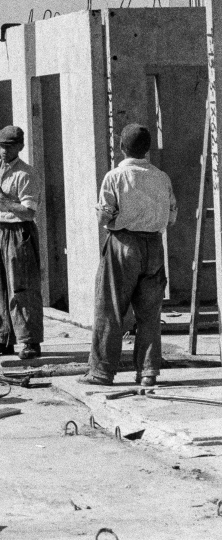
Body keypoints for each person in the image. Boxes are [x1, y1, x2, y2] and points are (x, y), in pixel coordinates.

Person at [81, 123, 177, 387]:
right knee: (149, 312)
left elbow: (105, 215)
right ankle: (148, 372)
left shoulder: (114, 177)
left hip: (123, 243)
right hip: (154, 246)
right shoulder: (162, 177)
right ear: (147, 149)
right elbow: (172, 216)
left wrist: (113, 217)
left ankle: (101, 372)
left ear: (121, 147)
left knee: (110, 308)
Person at [0, 125, 44, 362]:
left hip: (19, 232)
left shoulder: (26, 174)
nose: (3, 151)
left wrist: (1, 198)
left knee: (22, 288)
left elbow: (29, 212)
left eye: (9, 147)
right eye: (0, 146)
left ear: (20, 146)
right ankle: (2, 339)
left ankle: (30, 341)